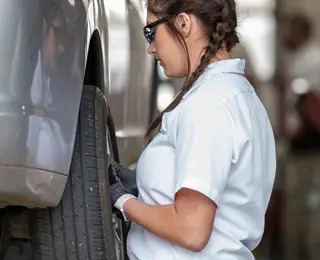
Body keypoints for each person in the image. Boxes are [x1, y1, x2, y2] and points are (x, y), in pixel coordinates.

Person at [109, 0, 277, 259]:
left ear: (184, 23)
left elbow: (191, 229)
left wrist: (123, 202)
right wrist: (141, 191)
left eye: (152, 32)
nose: (151, 48)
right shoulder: (238, 96)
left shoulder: (209, 104)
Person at [280, 13, 320, 260]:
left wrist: (296, 130)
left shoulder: (312, 61)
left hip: (309, 146)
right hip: (301, 145)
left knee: (304, 205)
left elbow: (308, 104)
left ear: (301, 32)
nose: (287, 36)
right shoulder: (300, 59)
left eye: (290, 30)